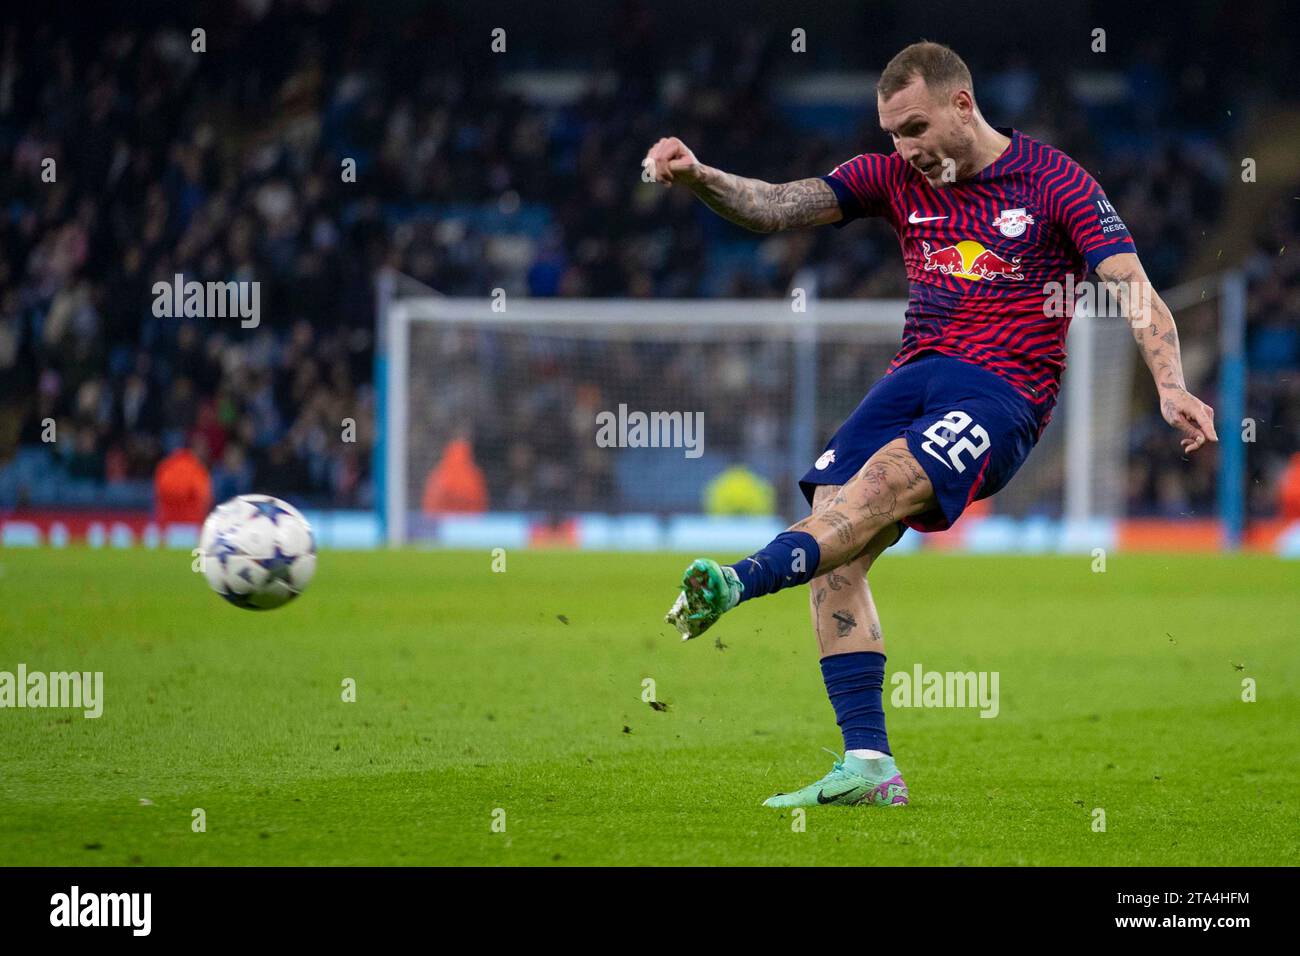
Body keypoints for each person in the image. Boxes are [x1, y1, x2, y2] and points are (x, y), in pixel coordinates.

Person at [645, 41, 1217, 808]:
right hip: (911, 377)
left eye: (914, 128)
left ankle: (736, 582)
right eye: (891, 134)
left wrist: (1171, 383)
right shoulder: (891, 177)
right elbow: (776, 206)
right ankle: (869, 766)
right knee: (834, 540)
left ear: (961, 104)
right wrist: (700, 176)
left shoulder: (1055, 182)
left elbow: (1133, 288)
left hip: (1000, 394)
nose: (903, 149)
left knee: (877, 488)